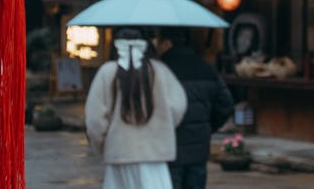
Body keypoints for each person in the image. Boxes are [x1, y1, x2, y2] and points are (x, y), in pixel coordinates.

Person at [86, 28, 188, 189]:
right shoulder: (159, 70)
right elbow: (178, 106)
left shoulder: (107, 72)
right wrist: (163, 127)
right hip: (155, 154)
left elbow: (95, 121)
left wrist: (102, 146)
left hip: (119, 154)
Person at [155, 28, 234, 189]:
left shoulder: (159, 70)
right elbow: (226, 104)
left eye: (159, 42)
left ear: (167, 43)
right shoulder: (206, 68)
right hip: (199, 148)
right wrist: (208, 126)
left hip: (170, 147)